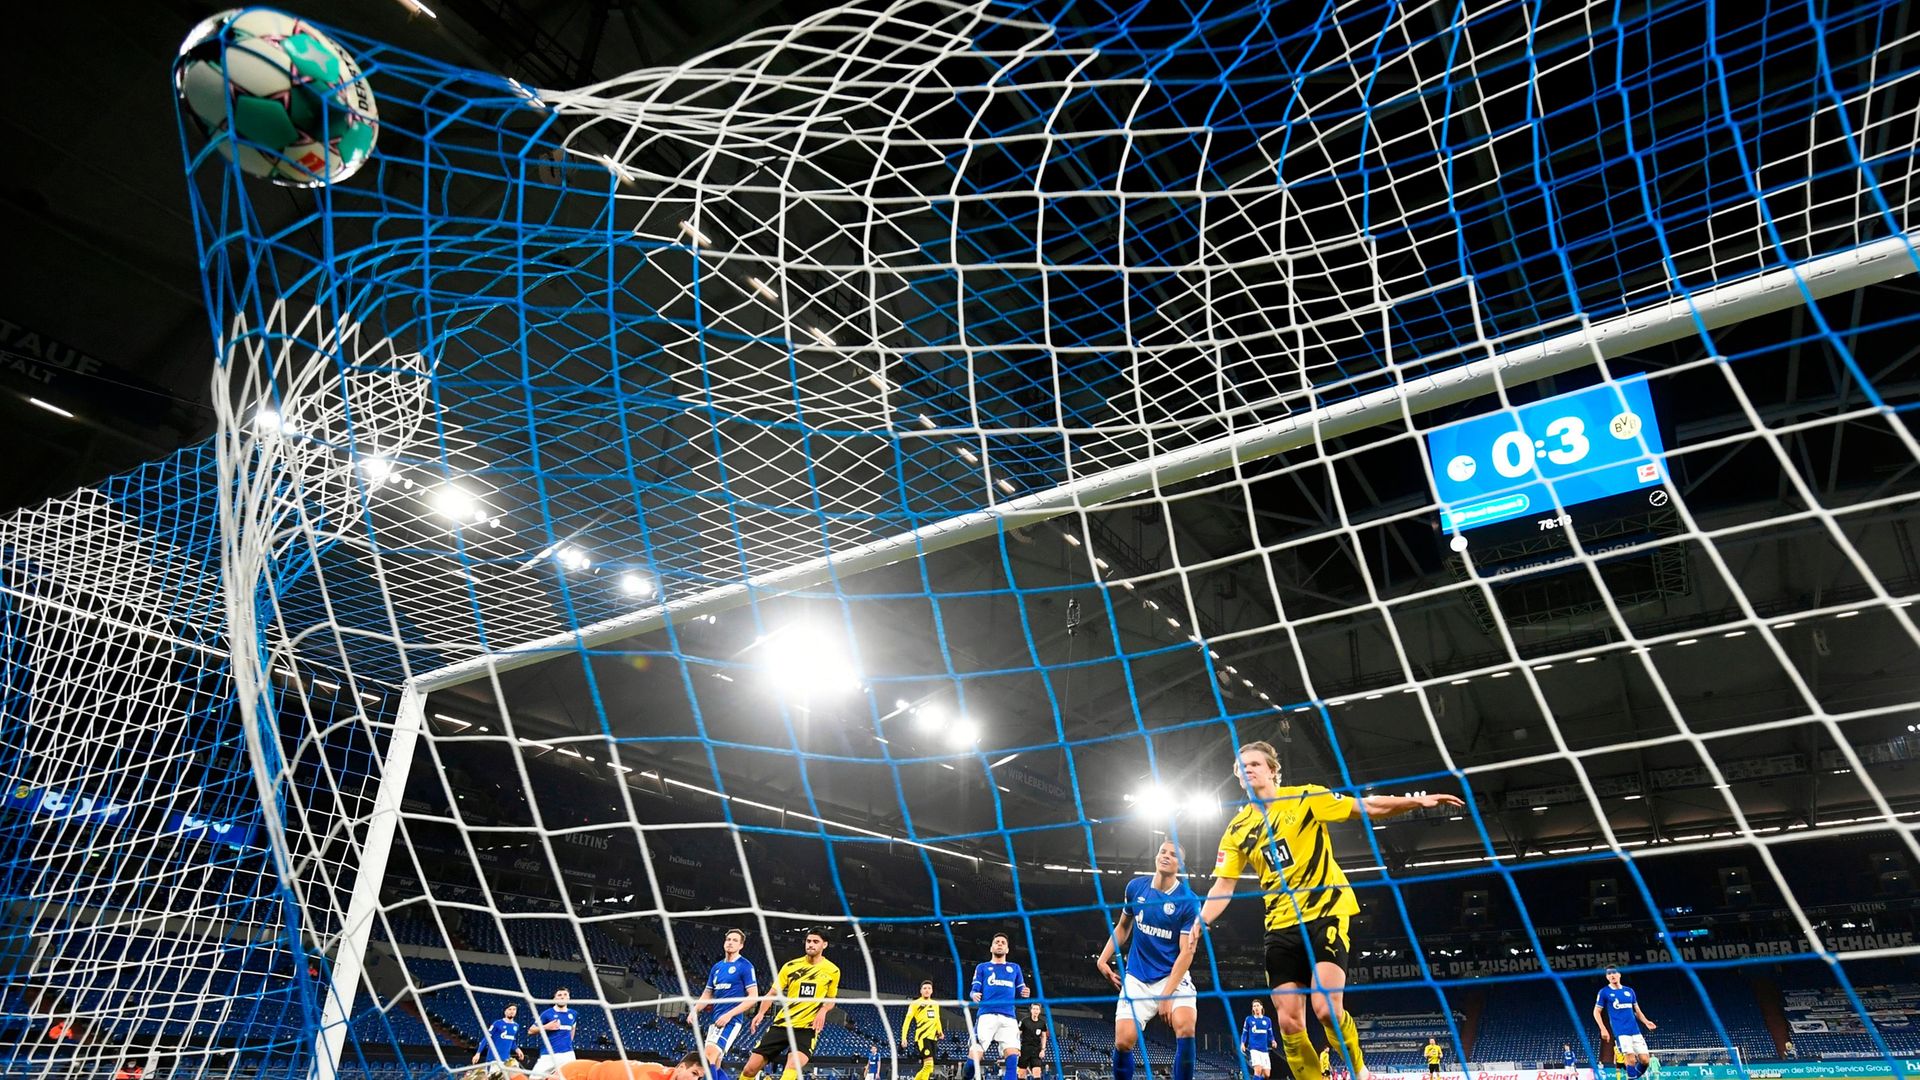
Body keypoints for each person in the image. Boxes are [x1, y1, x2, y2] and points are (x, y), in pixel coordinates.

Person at [1199, 741, 1464, 1080]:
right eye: (1242, 766)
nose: (1247, 769)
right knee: (1289, 1021)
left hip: (1325, 912)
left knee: (1325, 1010)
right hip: (1279, 927)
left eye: (1255, 763)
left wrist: (1415, 801)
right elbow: (1223, 886)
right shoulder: (1236, 830)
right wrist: (1200, 921)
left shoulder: (1306, 798)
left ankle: (1359, 1070)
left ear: (1272, 771)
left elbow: (1366, 807)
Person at [1097, 841, 1203, 1080]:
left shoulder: (1189, 900)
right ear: (1156, 857)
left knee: (1186, 1027)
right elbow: (1123, 927)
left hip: (1171, 976)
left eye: (1173, 854)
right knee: (1123, 1041)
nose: (1166, 856)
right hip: (1137, 977)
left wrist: (1167, 993)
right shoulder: (1136, 888)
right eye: (1163, 851)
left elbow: (1186, 953)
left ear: (1181, 865)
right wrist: (1102, 960)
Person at [741, 929, 842, 1080]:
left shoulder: (832, 970)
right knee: (750, 1069)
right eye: (809, 941)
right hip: (782, 1025)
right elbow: (771, 994)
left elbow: (831, 999)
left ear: (824, 945)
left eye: (816, 942)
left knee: (792, 1066)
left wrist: (823, 1010)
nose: (811, 945)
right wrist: (761, 1013)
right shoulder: (790, 966)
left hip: (806, 1029)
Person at [691, 929, 761, 1080]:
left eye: (735, 940)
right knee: (715, 1063)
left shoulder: (745, 966)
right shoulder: (716, 967)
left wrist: (729, 1015)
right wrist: (695, 1010)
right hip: (715, 1021)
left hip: (730, 1021)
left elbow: (753, 997)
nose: (730, 942)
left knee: (707, 1056)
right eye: (728, 939)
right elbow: (707, 993)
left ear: (741, 945)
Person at [967, 933, 1031, 1080]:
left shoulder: (1015, 968)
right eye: (997, 942)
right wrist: (973, 995)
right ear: (991, 947)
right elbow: (974, 989)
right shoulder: (982, 967)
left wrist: (1025, 992)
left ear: (1007, 949)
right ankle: (965, 1075)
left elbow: (1022, 988)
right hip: (986, 1016)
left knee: (1012, 1055)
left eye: (1003, 942)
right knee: (974, 1058)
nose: (1000, 944)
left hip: (1009, 1017)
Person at [1592, 967, 1657, 1080]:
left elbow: (1637, 1011)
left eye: (1614, 973)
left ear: (1619, 975)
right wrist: (1602, 1028)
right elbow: (1596, 1011)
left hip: (1635, 1030)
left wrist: (1646, 1022)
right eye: (1609, 974)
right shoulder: (1604, 992)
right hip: (1621, 1031)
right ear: (1607, 977)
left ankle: (1632, 1077)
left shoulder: (1629, 991)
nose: (1612, 975)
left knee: (1645, 1060)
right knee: (1630, 1059)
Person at [556, 1051, 707, 1080]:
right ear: (681, 1067)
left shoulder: (669, 1074)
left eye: (699, 1078)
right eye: (694, 1073)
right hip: (579, 1074)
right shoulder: (651, 1076)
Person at [531, 989, 580, 1080]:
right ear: (554, 998)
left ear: (569, 998)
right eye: (559, 995)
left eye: (565, 995)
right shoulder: (547, 1014)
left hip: (568, 1054)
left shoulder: (573, 1014)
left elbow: (572, 1029)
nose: (562, 997)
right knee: (534, 1078)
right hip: (548, 1054)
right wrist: (546, 1027)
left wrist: (569, 1043)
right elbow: (530, 1031)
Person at [901, 980, 945, 1080]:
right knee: (928, 1065)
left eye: (929, 988)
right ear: (921, 991)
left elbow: (937, 1018)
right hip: (922, 1037)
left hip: (933, 1038)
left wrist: (940, 1031)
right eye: (924, 988)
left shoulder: (935, 1004)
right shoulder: (915, 1003)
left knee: (929, 1068)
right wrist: (904, 1037)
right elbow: (907, 1021)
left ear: (932, 991)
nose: (927, 990)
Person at [472, 1003, 525, 1075]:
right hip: (493, 1059)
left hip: (506, 1060)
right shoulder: (497, 1023)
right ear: (505, 1011)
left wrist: (517, 1050)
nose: (512, 1011)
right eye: (509, 1009)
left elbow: (512, 1041)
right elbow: (486, 1038)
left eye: (514, 1009)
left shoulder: (516, 1026)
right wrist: (478, 1053)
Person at [1240, 1001, 1275, 1078]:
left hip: (1264, 1050)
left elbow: (1270, 1033)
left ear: (1261, 1007)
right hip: (1254, 1049)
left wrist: (1273, 1041)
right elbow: (1244, 1033)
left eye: (1257, 1005)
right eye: (1254, 1006)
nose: (1256, 1007)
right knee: (1258, 1070)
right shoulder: (1249, 1019)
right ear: (1252, 1009)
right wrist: (1242, 1043)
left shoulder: (1267, 1020)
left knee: (1266, 1075)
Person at [1018, 1003, 1049, 1080]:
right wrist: (1017, 1048)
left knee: (1037, 1072)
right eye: (1034, 1009)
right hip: (1024, 1049)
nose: (1035, 1011)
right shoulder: (1024, 1021)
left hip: (1036, 1050)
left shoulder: (1042, 1023)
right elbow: (1017, 1035)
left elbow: (1044, 1036)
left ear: (1039, 1011)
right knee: (1021, 1073)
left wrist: (1043, 1050)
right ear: (1031, 1010)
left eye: (1037, 1009)